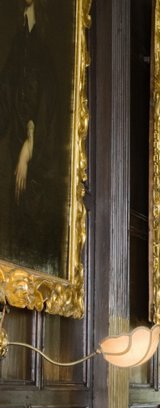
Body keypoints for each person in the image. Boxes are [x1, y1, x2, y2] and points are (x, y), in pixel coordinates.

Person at [0, 0, 70, 274]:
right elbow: (8, 93)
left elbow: (48, 101)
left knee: (31, 221)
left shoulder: (47, 41)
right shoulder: (19, 38)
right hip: (15, 147)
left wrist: (30, 145)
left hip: (39, 159)